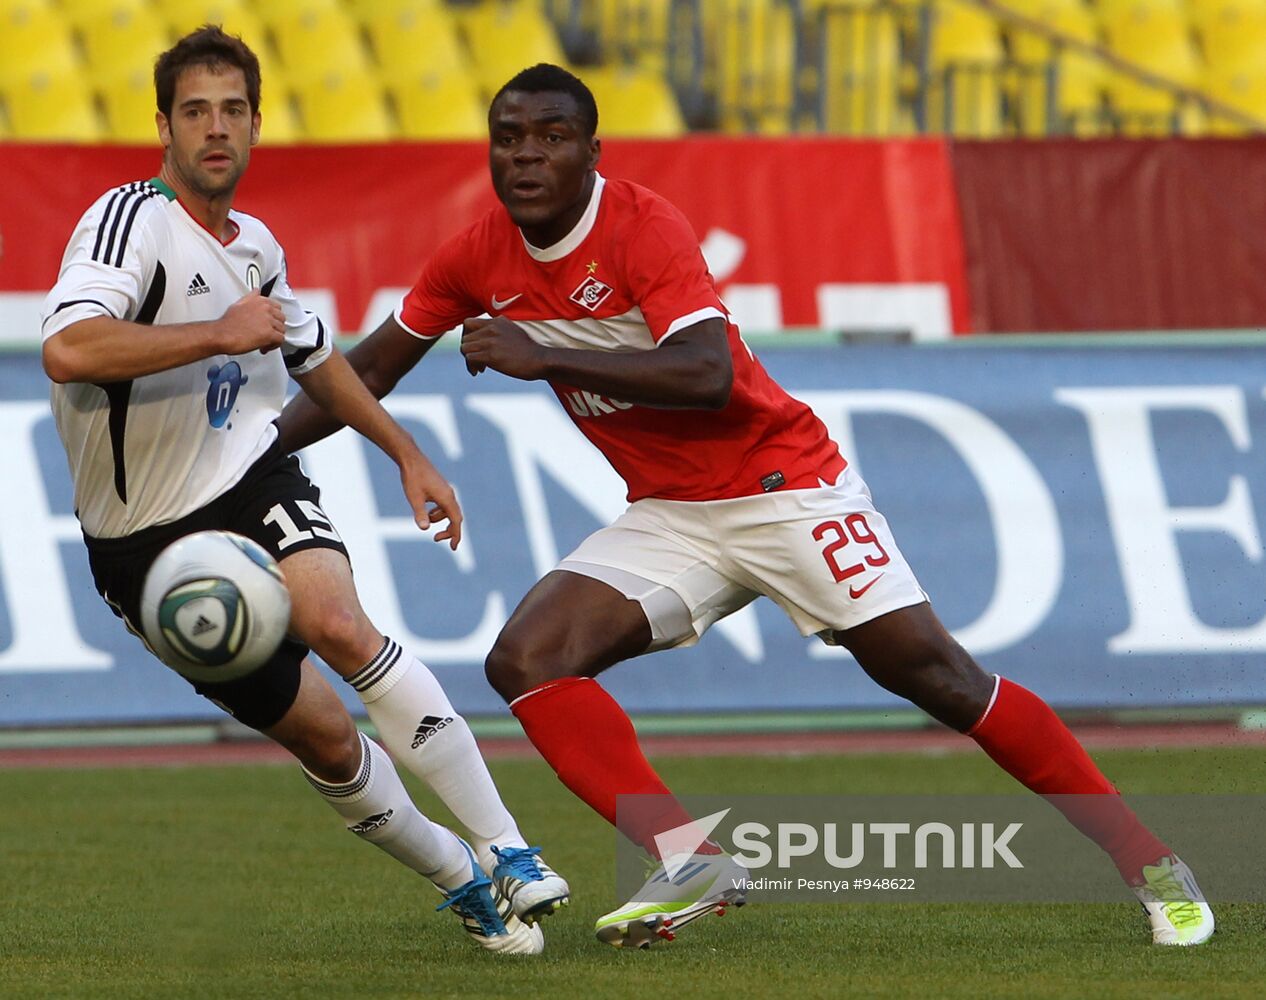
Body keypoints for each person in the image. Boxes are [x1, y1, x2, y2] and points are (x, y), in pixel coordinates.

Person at [277, 63, 1213, 950]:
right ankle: (690, 861)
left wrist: (546, 353)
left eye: (551, 137)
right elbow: (367, 370)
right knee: (527, 658)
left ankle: (1154, 864)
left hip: (782, 486)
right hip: (675, 511)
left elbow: (710, 372)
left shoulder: (642, 226)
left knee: (942, 678)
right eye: (508, 138)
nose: (526, 155)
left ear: (592, 153)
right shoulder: (475, 254)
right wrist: (246, 458)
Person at [40, 29, 568, 955]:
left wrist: (406, 453)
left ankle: (509, 848)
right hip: (142, 545)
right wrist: (218, 333)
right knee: (324, 736)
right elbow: (68, 348)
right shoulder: (126, 221)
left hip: (245, 476)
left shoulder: (257, 245)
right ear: (162, 127)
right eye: (195, 112)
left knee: (339, 623)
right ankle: (459, 875)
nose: (215, 129)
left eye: (232, 111)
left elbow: (314, 357)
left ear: (256, 124)